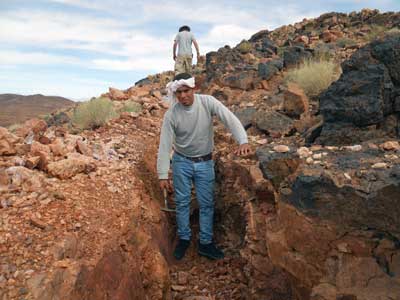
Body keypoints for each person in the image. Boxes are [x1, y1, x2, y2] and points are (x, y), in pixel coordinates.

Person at [157, 73, 251, 260]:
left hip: (205, 162)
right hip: (181, 162)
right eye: (179, 93)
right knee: (182, 203)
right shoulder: (172, 114)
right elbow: (165, 144)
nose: (183, 96)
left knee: (207, 204)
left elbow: (229, 118)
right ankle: (184, 238)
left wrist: (243, 141)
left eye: (186, 91)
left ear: (194, 89)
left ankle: (205, 243)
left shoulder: (207, 102)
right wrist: (162, 174)